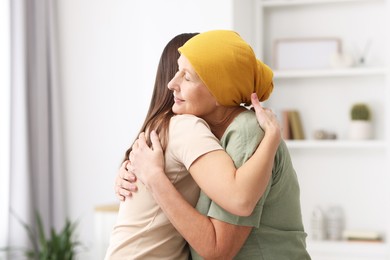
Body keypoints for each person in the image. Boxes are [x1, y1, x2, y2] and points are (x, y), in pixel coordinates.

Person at [121, 30, 311, 259]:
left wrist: (154, 178)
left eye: (187, 77)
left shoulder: (245, 133)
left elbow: (218, 248)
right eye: (176, 72)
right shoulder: (209, 138)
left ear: (219, 91)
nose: (172, 83)